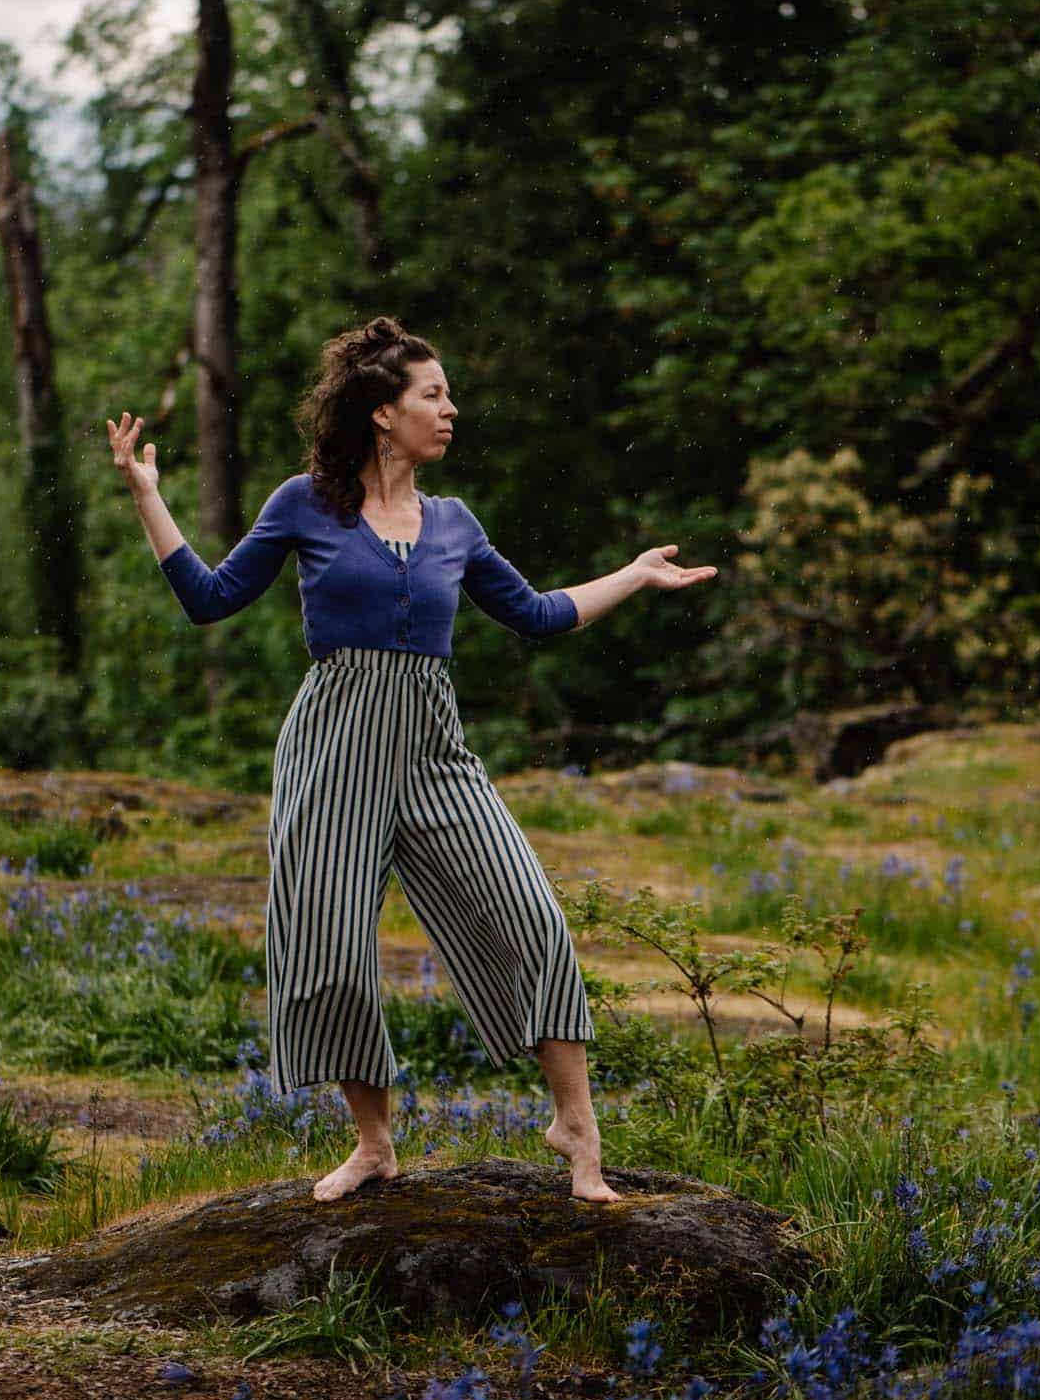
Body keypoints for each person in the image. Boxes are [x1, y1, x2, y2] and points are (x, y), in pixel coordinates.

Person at [107, 316, 717, 1205]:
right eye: (433, 395)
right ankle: (373, 1144)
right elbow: (209, 600)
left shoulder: (454, 525)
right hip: (332, 749)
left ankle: (576, 1129)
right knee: (332, 950)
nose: (451, 410)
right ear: (382, 414)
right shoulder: (302, 506)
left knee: (529, 916)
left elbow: (539, 614)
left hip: (434, 748)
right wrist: (145, 493)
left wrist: (631, 574)